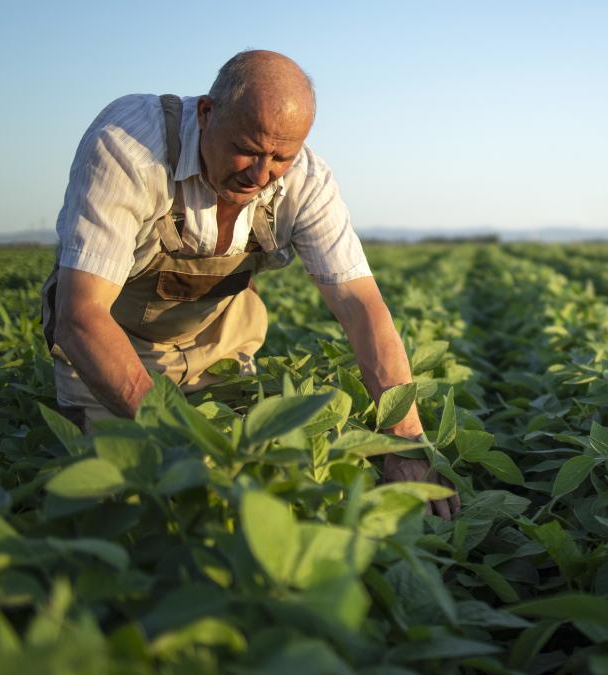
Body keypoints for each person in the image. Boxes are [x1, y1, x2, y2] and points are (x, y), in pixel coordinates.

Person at [40, 50, 459, 519]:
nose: (261, 175)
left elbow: (361, 307)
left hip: (219, 345)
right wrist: (184, 441)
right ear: (206, 113)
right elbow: (80, 318)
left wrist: (403, 443)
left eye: (281, 157)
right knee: (128, 504)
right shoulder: (129, 147)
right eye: (248, 148)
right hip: (111, 350)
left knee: (260, 494)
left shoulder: (307, 181)